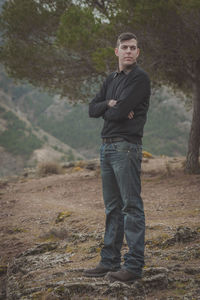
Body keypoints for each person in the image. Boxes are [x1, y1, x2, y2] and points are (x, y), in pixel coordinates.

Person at [83, 32, 151, 283]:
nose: (129, 51)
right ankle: (109, 261)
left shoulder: (140, 79)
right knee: (112, 207)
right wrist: (110, 105)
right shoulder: (111, 78)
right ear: (117, 52)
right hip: (107, 147)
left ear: (138, 52)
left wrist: (112, 107)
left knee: (131, 207)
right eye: (125, 47)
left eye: (134, 47)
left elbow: (119, 111)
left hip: (126, 147)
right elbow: (92, 109)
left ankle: (133, 266)